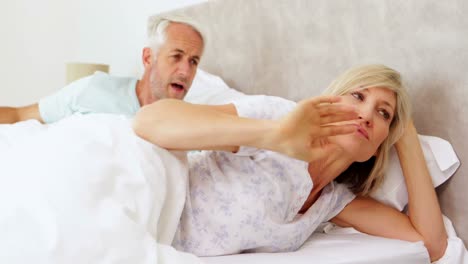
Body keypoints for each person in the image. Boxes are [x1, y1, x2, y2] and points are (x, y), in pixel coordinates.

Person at [133, 64, 448, 261]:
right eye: (358, 96)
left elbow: (431, 244)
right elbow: (151, 120)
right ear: (330, 100)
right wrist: (276, 135)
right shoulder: (277, 116)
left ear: (380, 146)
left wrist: (405, 134)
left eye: (384, 113)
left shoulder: (333, 202)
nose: (366, 114)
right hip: (141, 214)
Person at [0, 15, 205, 124]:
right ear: (148, 57)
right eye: (176, 57)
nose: (185, 72)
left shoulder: (190, 123)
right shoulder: (95, 89)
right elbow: (19, 115)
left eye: (194, 61)